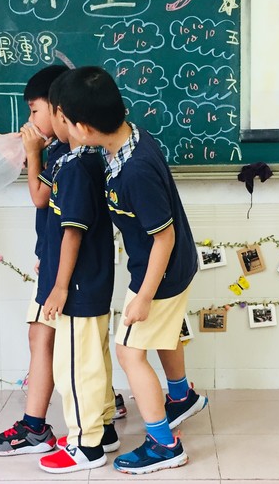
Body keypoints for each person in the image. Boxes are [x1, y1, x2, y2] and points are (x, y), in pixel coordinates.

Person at [51, 66, 208, 475]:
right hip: (167, 267)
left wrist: (143, 297)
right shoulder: (126, 139)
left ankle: (164, 444)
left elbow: (164, 238)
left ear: (84, 128)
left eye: (64, 120)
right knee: (163, 333)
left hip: (161, 273)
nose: (62, 128)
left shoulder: (135, 170)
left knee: (128, 353)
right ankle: (181, 397)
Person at [0, 65, 69, 456]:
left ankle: (34, 427)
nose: (29, 121)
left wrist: (33, 155)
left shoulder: (65, 154)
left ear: (59, 108)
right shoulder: (63, 151)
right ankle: (101, 404)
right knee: (50, 336)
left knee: (45, 335)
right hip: (53, 260)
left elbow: (40, 197)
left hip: (62, 268)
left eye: (34, 111)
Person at [36, 70, 118, 473]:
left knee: (74, 366)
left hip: (79, 286)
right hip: (92, 281)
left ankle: (86, 445)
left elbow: (73, 232)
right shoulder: (83, 159)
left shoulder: (74, 168)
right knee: (93, 358)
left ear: (64, 117)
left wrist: (60, 287)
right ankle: (104, 427)